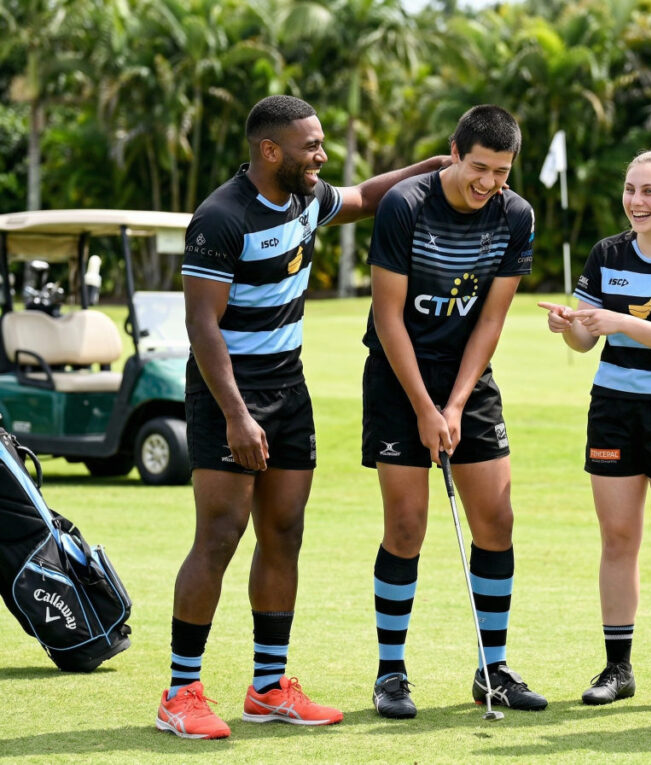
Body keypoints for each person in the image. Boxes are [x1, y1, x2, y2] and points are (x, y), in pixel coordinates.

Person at [156, 95, 448, 740]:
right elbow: (201, 325)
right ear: (270, 150)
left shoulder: (305, 200)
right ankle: (180, 692)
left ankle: (267, 687)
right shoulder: (220, 217)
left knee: (284, 531)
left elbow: (368, 197)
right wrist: (236, 415)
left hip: (290, 389)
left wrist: (434, 166)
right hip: (227, 392)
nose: (321, 156)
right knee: (222, 533)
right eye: (310, 146)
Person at [361, 104, 547, 719]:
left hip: (467, 373)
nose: (489, 183)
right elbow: (389, 314)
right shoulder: (405, 206)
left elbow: (492, 318)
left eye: (501, 171)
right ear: (454, 151)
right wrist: (423, 405)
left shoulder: (515, 214)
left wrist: (457, 402)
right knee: (407, 525)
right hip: (398, 375)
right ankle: (391, 673)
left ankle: (492, 671)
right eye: (478, 167)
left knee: (495, 520)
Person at [540, 150, 651, 711]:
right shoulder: (606, 253)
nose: (636, 201)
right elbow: (585, 341)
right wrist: (568, 327)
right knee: (618, 540)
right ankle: (618, 669)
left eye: (649, 191)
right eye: (629, 190)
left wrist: (621, 320)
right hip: (614, 408)